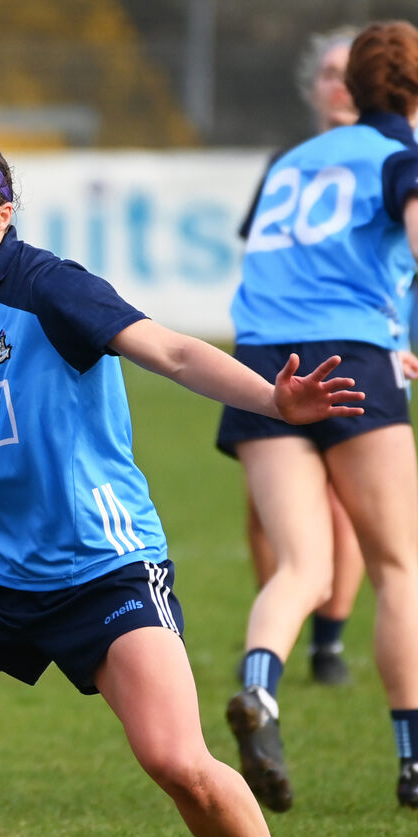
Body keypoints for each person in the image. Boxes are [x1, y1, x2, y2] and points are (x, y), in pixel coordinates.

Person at [0, 131, 365, 837]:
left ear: (3, 214)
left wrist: (272, 401)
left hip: (102, 566)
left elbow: (174, 352)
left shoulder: (52, 287)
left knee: (178, 763)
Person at [217, 19, 418, 813]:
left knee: (301, 565)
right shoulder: (401, 155)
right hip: (353, 356)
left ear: (352, 86)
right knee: (398, 566)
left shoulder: (294, 160)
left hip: (263, 362)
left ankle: (260, 690)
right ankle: (412, 761)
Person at [235, 26, 365, 687]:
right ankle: (278, 628)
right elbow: (258, 253)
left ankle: (328, 643)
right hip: (276, 345)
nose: (339, 84)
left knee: (343, 502)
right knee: (266, 507)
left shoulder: (388, 159)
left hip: (353, 345)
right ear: (312, 85)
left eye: (352, 72)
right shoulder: (287, 162)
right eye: (329, 73)